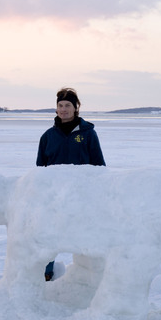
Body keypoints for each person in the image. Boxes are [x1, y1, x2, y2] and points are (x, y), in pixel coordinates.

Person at [36, 87, 106, 280]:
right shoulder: (48, 136)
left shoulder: (88, 134)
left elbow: (100, 166)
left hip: (81, 197)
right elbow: (39, 170)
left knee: (86, 237)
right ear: (56, 109)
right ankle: (46, 273)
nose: (64, 109)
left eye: (68, 105)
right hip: (53, 197)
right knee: (48, 237)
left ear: (76, 108)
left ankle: (90, 277)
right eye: (60, 106)